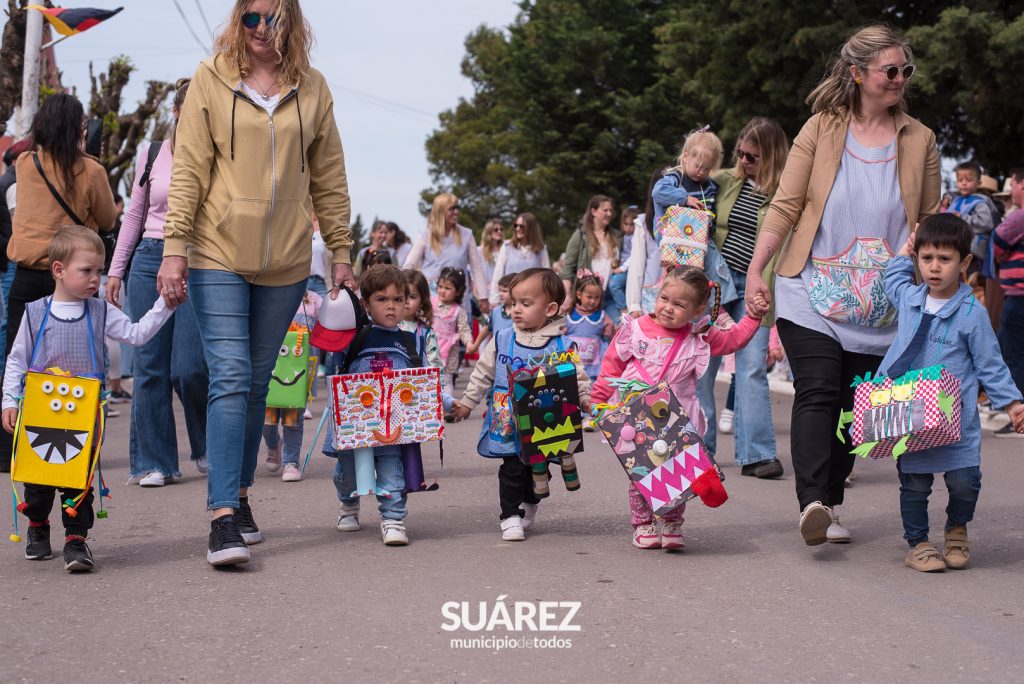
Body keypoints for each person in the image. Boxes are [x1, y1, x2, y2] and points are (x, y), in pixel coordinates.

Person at [159, 0, 354, 567]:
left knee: (254, 386)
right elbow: (189, 168)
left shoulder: (313, 88)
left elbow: (330, 176)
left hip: (286, 260)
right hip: (216, 252)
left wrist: (340, 250)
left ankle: (241, 495)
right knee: (231, 375)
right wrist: (174, 248)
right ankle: (222, 517)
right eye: (251, 17)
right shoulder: (210, 78)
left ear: (292, 23)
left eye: (274, 18)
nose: (262, 28)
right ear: (238, 20)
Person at [744, 25, 941, 546]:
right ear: (857, 73)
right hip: (809, 288)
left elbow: (929, 218)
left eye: (905, 71)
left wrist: (927, 253)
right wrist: (756, 270)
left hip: (884, 301)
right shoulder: (821, 128)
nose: (900, 79)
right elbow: (786, 205)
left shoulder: (920, 139)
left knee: (855, 409)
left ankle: (829, 501)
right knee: (818, 389)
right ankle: (811, 501)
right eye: (890, 70)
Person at [3, 226, 176, 571]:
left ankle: (76, 539)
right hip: (39, 413)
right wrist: (9, 400)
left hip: (83, 417)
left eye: (99, 270)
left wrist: (165, 305)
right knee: (38, 480)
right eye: (87, 270)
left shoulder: (101, 312)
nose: (96, 278)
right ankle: (37, 525)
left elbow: (137, 334)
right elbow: (17, 360)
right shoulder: (35, 313)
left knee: (78, 481)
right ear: (58, 269)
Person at [878, 215, 1023, 572]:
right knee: (914, 485)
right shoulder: (910, 298)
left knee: (965, 482)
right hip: (911, 416)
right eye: (926, 258)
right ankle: (918, 544)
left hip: (957, 422)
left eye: (944, 259)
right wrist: (905, 251)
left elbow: (990, 364)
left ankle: (957, 528)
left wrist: (1012, 403)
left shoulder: (973, 314)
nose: (934, 267)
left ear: (964, 262)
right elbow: (893, 277)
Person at [591, 266, 767, 550]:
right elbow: (611, 365)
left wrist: (753, 317)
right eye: (664, 299)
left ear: (697, 310)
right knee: (642, 473)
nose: (668, 308)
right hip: (637, 417)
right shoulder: (635, 330)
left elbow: (734, 339)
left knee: (678, 473)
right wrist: (598, 401)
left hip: (678, 418)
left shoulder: (700, 337)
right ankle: (643, 524)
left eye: (679, 305)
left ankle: (672, 523)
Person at [0, 94, 116, 474]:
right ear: (77, 129)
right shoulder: (91, 171)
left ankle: (10, 449)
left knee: (19, 360)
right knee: (72, 365)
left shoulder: (25, 163)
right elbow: (107, 218)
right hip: (68, 278)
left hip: (26, 276)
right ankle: (71, 445)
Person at [106, 77, 210, 487]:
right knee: (149, 366)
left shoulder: (216, 154)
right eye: (191, 109)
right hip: (150, 256)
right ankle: (154, 462)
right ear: (176, 111)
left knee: (190, 368)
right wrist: (116, 269)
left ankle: (205, 444)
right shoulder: (151, 153)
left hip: (197, 259)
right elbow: (134, 215)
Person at [452, 268, 592, 541]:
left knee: (539, 468)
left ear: (550, 309)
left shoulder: (561, 344)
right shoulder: (503, 338)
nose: (516, 309)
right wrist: (468, 402)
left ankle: (530, 501)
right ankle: (510, 515)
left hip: (546, 421)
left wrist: (585, 399)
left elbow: (578, 376)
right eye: (514, 302)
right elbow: (483, 372)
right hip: (509, 420)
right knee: (512, 468)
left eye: (526, 304)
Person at [327, 265, 455, 545]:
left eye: (398, 299)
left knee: (391, 468)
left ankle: (393, 518)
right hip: (354, 424)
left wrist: (446, 401)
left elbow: (426, 379)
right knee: (348, 472)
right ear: (366, 304)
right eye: (382, 299)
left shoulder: (410, 341)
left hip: (392, 424)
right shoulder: (355, 337)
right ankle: (349, 504)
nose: (391, 306)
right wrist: (338, 299)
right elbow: (328, 344)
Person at [697, 117, 790, 479]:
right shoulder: (722, 181)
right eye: (740, 153)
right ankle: (700, 452)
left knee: (751, 368)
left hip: (757, 287)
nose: (744, 161)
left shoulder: (786, 195)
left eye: (753, 156)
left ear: (772, 156)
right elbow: (673, 182)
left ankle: (756, 455)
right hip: (716, 286)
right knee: (703, 366)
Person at [262, 289, 320, 481]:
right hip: (270, 368)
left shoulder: (313, 301)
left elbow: (327, 327)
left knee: (293, 420)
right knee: (266, 420)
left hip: (298, 373)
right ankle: (274, 445)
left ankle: (291, 462)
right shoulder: (265, 294)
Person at [403, 193, 490, 314]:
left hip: (459, 299)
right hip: (432, 298)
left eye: (457, 208)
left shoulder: (466, 235)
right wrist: (403, 290)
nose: (456, 212)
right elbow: (410, 264)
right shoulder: (426, 235)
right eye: (452, 209)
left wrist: (483, 296)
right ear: (440, 211)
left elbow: (477, 267)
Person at [992, 167, 1024, 437]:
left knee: (1012, 355)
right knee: (1002, 348)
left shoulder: (1020, 217)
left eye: (1012, 184)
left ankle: (1019, 417)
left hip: (1019, 297)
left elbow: (997, 242)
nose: (1011, 190)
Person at [561, 195, 622, 319]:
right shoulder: (580, 236)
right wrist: (566, 296)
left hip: (610, 296)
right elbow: (567, 269)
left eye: (611, 210)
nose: (609, 214)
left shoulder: (617, 236)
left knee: (616, 326)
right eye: (605, 210)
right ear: (593, 211)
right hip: (587, 297)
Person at [625, 168, 673, 316]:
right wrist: (634, 305)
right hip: (650, 297)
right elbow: (636, 265)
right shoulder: (644, 223)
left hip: (678, 299)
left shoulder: (687, 222)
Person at [488, 213, 550, 306]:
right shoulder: (507, 247)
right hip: (510, 301)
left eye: (522, 226)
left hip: (532, 301)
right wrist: (494, 299)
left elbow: (547, 278)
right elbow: (498, 274)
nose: (517, 229)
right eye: (516, 225)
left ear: (531, 228)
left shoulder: (541, 250)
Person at [432, 267, 474, 396]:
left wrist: (469, 343)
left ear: (458, 291)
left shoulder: (459, 311)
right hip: (430, 349)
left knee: (447, 380)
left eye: (447, 288)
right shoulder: (430, 303)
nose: (442, 291)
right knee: (430, 380)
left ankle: (447, 405)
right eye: (440, 286)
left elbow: (464, 329)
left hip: (450, 352)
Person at [566, 270, 614, 381]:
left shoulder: (602, 317)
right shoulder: (568, 316)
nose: (593, 301)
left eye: (597, 297)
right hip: (571, 371)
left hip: (593, 373)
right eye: (589, 297)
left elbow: (612, 337)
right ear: (579, 294)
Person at [948, 161, 998, 266]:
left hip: (972, 250)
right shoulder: (956, 201)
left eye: (969, 180)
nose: (964, 183)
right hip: (954, 245)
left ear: (978, 183)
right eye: (960, 180)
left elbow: (986, 223)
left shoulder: (980, 202)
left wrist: (961, 218)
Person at [400, 269, 442, 369]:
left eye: (412, 297)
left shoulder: (426, 332)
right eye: (401, 296)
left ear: (422, 301)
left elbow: (435, 365)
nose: (406, 301)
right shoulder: (386, 326)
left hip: (419, 379)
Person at [606, 205, 638, 313]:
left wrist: (622, 268)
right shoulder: (622, 236)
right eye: (626, 224)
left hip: (628, 268)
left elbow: (634, 256)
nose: (628, 227)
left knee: (614, 285)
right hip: (620, 266)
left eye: (631, 224)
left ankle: (624, 309)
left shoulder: (636, 237)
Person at [479, 218, 505, 289]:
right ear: (489, 232)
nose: (499, 232)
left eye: (501, 229)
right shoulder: (479, 251)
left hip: (503, 288)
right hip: (486, 289)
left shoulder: (506, 249)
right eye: (496, 230)